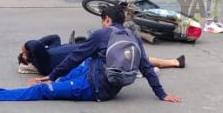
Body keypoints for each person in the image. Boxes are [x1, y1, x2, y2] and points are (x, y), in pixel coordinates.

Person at [0, 4, 182, 103]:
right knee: (84, 63)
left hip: (95, 89)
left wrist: (53, 76)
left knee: (43, 91)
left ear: (106, 20)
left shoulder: (101, 34)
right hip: (104, 82)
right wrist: (162, 94)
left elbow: (75, 56)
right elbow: (145, 65)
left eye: (102, 20)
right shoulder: (132, 36)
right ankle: (52, 79)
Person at [18, 34, 186, 76]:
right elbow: (37, 45)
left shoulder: (46, 53)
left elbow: (54, 37)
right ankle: (174, 62)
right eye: (25, 56)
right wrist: (26, 48)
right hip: (89, 55)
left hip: (85, 47)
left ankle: (171, 62)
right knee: (129, 56)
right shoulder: (43, 63)